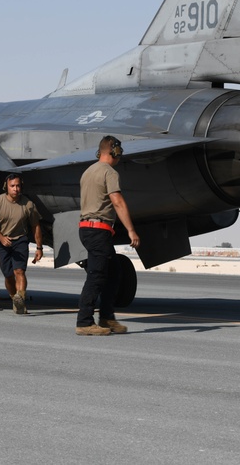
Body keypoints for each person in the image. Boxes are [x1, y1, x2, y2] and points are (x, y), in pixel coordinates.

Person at [75, 135, 141, 336]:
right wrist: (131, 229)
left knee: (114, 272)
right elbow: (118, 201)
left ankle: (107, 318)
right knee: (97, 276)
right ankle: (84, 322)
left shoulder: (88, 171)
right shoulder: (109, 172)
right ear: (115, 152)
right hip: (98, 230)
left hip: (88, 229)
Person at [0, 173, 44, 314]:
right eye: (12, 186)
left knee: (19, 271)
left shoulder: (28, 204)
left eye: (18, 186)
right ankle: (15, 299)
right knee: (8, 276)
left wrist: (39, 247)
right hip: (3, 241)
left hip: (20, 240)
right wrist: (1, 238)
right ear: (6, 186)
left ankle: (21, 298)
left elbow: (35, 226)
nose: (15, 189)